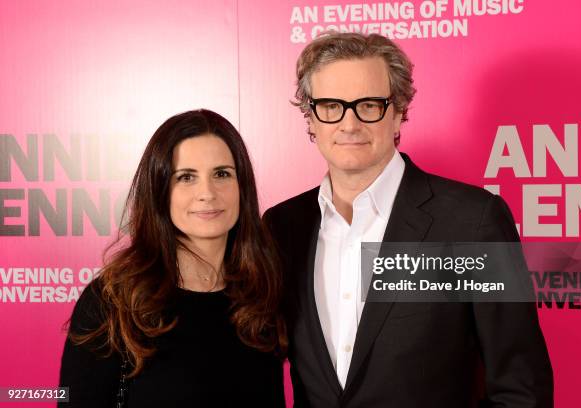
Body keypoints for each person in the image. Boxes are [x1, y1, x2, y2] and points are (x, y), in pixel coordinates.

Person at [263, 32, 553, 407]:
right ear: (311, 117)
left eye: (369, 105)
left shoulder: (473, 220)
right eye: (331, 106)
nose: (349, 124)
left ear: (398, 110)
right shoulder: (282, 227)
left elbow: (522, 387)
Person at [59, 109, 287, 407]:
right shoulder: (112, 303)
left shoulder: (262, 293)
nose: (207, 192)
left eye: (222, 174)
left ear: (242, 186)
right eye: (186, 177)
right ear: (160, 191)